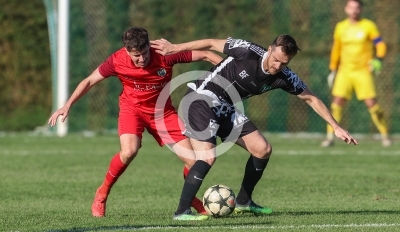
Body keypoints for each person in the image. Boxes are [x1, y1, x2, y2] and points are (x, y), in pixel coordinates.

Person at [150, 35, 358, 221]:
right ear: (269, 49)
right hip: (202, 99)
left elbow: (311, 98)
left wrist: (335, 127)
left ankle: (243, 201)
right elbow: (212, 43)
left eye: (283, 63)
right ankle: (182, 211)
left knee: (262, 149)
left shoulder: (285, 76)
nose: (277, 66)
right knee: (207, 158)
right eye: (275, 59)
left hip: (226, 108)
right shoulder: (247, 50)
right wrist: (175, 47)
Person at [48, 27, 223, 218]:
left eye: (145, 53)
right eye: (136, 56)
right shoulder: (117, 60)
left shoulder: (165, 53)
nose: (141, 59)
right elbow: (90, 81)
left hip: (163, 114)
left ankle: (189, 199)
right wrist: (67, 105)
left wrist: (230, 75)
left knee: (195, 161)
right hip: (133, 110)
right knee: (129, 151)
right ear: (127, 51)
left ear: (150, 45)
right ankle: (102, 193)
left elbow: (207, 55)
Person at [321, 0, 391, 147]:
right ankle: (330, 137)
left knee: (373, 105)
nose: (354, 10)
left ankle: (385, 136)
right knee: (336, 104)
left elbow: (380, 44)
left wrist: (378, 59)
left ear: (361, 9)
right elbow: (336, 49)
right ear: (346, 9)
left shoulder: (368, 25)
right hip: (344, 72)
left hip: (363, 71)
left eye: (357, 7)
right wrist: (333, 69)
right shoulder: (340, 27)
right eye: (351, 7)